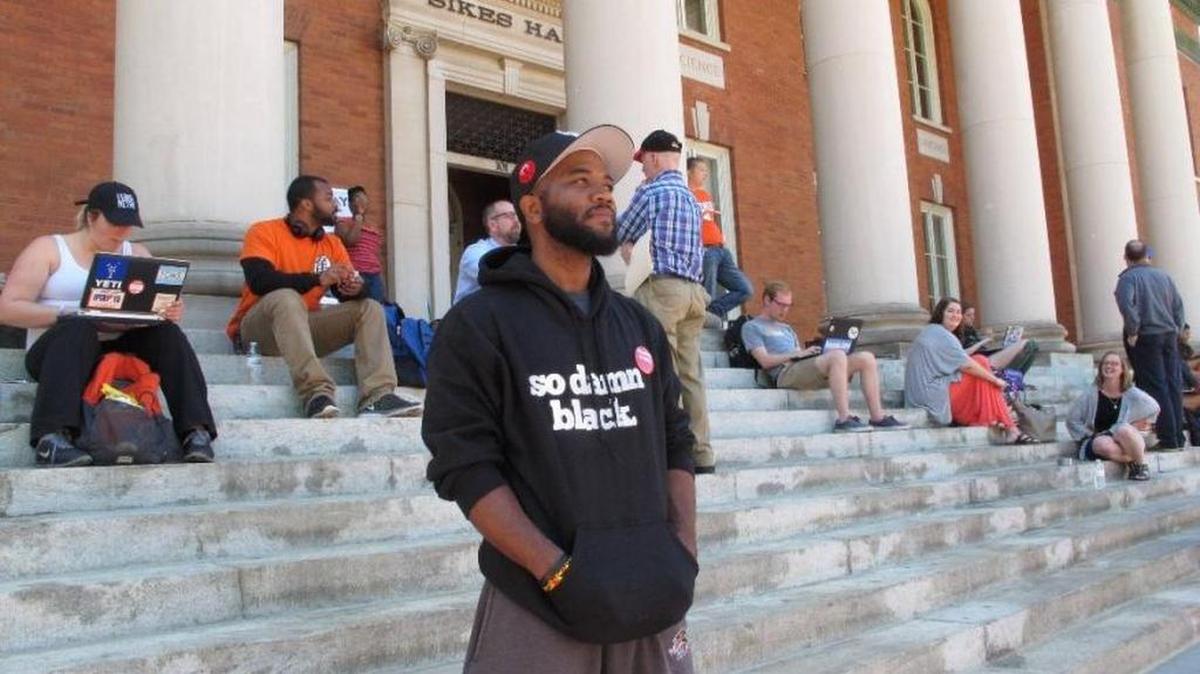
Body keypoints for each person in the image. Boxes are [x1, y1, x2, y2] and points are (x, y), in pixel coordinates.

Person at [423, 125, 698, 673]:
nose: (603, 193)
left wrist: (682, 551)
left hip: (654, 596)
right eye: (579, 180)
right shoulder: (478, 325)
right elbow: (465, 466)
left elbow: (675, 440)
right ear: (533, 207)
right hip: (539, 603)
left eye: (606, 181)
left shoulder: (638, 324)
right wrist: (555, 571)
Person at [0, 181, 216, 466]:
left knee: (167, 333)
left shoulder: (136, 254)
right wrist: (68, 313)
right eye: (114, 222)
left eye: (128, 224)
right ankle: (51, 438)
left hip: (115, 349)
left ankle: (195, 432)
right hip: (60, 354)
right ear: (91, 217)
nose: (122, 232)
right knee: (79, 326)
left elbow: (154, 309)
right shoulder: (50, 249)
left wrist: (167, 310)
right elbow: (7, 309)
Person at [226, 175, 421, 420]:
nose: (336, 205)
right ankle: (316, 394)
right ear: (306, 204)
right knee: (287, 297)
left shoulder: (332, 244)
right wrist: (318, 279)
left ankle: (377, 396)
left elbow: (344, 291)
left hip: (303, 330)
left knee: (370, 307)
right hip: (258, 331)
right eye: (328, 198)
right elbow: (259, 281)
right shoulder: (263, 231)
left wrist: (355, 288)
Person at [617, 129, 714, 473]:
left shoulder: (652, 191)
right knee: (691, 375)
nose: (642, 169)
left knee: (659, 371)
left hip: (662, 290)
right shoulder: (691, 196)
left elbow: (619, 230)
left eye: (643, 162)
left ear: (654, 157)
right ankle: (701, 452)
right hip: (694, 293)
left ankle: (668, 452)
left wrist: (630, 251)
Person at [741, 281, 908, 432]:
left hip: (802, 367)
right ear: (767, 300)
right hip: (784, 374)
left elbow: (801, 356)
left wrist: (815, 352)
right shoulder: (752, 327)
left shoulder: (787, 328)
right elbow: (764, 361)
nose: (785, 310)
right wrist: (796, 354)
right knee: (837, 357)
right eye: (781, 304)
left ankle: (877, 417)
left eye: (788, 305)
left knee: (866, 358)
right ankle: (844, 419)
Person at [904, 297, 1036, 444]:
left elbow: (962, 357)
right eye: (950, 311)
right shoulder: (940, 334)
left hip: (924, 393)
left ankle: (1006, 425)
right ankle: (1009, 426)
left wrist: (985, 344)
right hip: (930, 395)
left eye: (959, 312)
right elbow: (967, 365)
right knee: (981, 363)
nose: (955, 315)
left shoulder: (933, 332)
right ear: (940, 313)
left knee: (981, 366)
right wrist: (996, 380)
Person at [1115, 239, 1187, 449]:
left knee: (1156, 386)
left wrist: (1133, 331)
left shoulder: (1127, 278)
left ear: (1126, 258)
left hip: (1146, 336)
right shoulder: (1164, 276)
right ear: (1147, 255)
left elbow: (1128, 306)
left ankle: (1167, 438)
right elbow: (1178, 306)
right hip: (1168, 335)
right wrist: (1178, 329)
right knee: (1173, 384)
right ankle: (1178, 436)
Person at [1065, 352, 1156, 481]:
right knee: (1104, 443)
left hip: (1120, 435)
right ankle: (1135, 458)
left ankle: (1141, 467)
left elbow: (1153, 407)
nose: (1109, 366)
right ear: (1101, 368)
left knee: (1124, 429)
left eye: (1114, 364)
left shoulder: (1131, 392)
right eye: (1106, 363)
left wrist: (1140, 423)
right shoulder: (1091, 394)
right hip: (1098, 438)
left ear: (1122, 369)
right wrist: (1089, 434)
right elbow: (1071, 420)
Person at [687, 157, 751, 325]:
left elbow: (708, 222)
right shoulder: (685, 194)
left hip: (720, 249)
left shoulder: (704, 194)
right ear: (688, 172)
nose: (706, 174)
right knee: (708, 292)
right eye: (701, 169)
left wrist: (720, 237)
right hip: (705, 250)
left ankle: (713, 313)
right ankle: (705, 320)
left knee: (745, 289)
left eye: (707, 171)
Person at [453, 199, 521, 304]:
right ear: (493, 225)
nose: (516, 220)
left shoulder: (521, 254)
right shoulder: (476, 252)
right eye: (508, 216)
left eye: (515, 215)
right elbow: (497, 277)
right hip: (473, 318)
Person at [334, 186, 387, 304]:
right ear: (350, 203)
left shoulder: (374, 228)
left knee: (378, 310)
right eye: (357, 198)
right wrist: (358, 217)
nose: (362, 202)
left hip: (374, 276)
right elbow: (350, 241)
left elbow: (376, 256)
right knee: (357, 311)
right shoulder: (342, 222)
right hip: (355, 274)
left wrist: (382, 281)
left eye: (364, 198)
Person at [956, 302, 1038, 372]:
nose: (972, 318)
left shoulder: (971, 330)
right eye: (968, 315)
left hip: (986, 357)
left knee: (1034, 346)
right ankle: (1009, 380)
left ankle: (1017, 380)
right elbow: (966, 353)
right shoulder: (957, 333)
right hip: (980, 361)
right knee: (1028, 344)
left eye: (973, 314)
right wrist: (985, 340)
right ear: (960, 316)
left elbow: (982, 349)